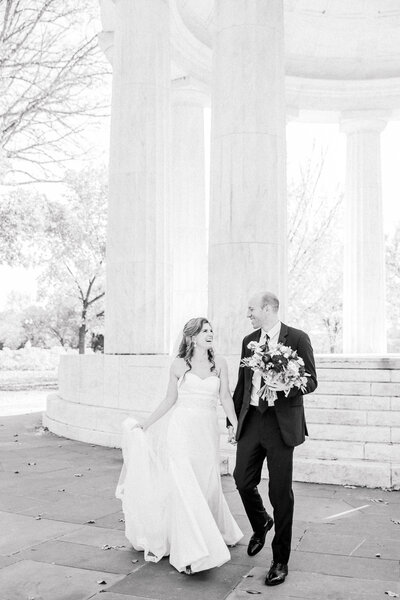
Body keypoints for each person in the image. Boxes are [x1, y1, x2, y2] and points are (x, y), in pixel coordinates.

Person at [116, 317, 243, 575]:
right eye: (205, 330)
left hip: (207, 432)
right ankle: (191, 551)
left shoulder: (220, 364)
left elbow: (226, 397)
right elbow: (170, 399)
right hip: (181, 430)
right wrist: (147, 423)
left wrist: (236, 423)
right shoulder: (177, 365)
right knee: (185, 485)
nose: (210, 333)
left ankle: (206, 530)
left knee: (205, 483)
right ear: (192, 336)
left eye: (211, 330)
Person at [230, 291, 317, 586]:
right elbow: (243, 384)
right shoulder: (248, 340)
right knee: (242, 478)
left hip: (281, 426)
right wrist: (234, 422)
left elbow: (311, 380)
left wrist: (285, 385)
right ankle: (261, 522)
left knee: (280, 494)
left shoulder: (298, 338)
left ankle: (280, 560)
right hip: (253, 419)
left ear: (268, 308)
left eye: (252, 309)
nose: (249, 314)